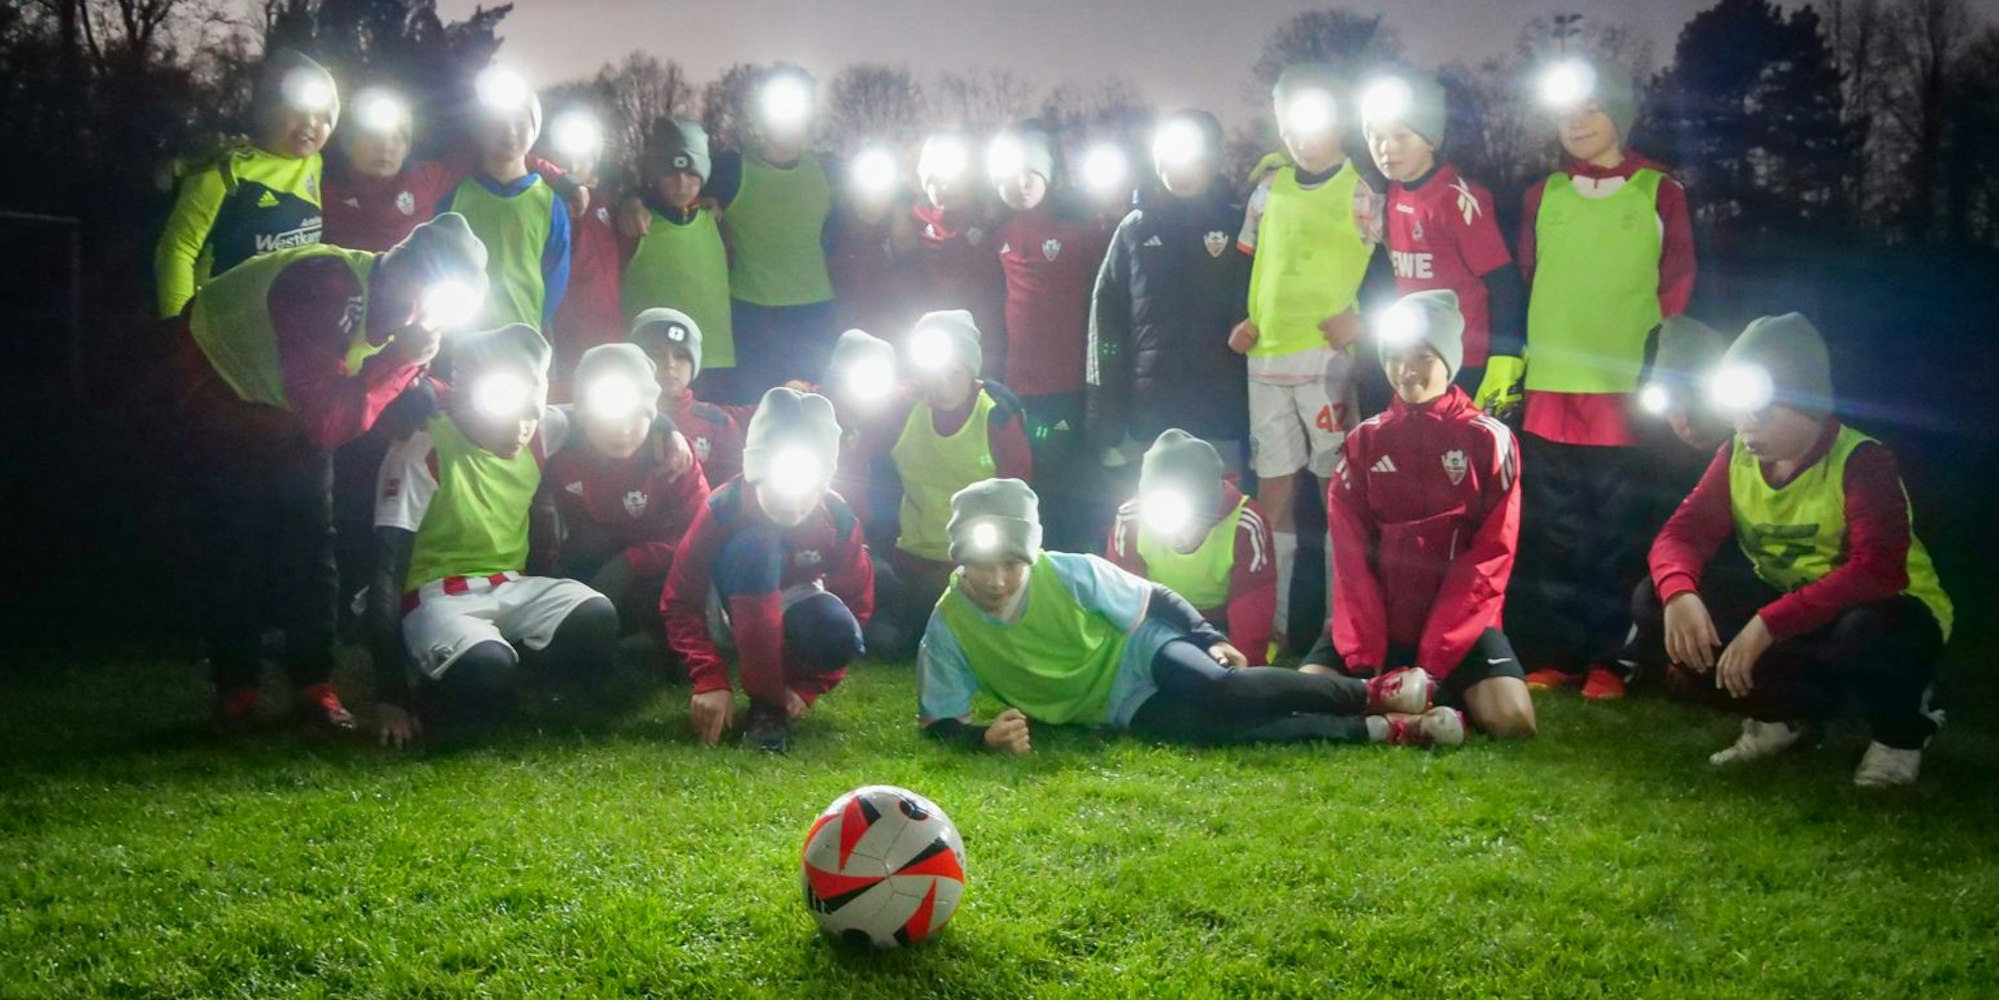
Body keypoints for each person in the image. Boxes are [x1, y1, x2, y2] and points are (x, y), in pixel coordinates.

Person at [170, 212, 489, 732]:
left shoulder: (392, 300)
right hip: (216, 387)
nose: (432, 313)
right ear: (406, 271)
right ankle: (237, 689)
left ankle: (313, 685)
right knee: (236, 547)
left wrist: (435, 385)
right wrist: (403, 362)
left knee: (312, 546)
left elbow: (367, 389)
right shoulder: (325, 287)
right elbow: (332, 421)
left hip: (284, 408)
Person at [1624, 314, 1951, 787]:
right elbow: (1681, 535)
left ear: (1809, 403)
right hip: (1802, 620)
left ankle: (1901, 735)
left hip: (1890, 613)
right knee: (1654, 601)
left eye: (1763, 411)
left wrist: (1768, 623)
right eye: (1738, 411)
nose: (1747, 426)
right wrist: (1679, 594)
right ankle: (1785, 720)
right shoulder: (1736, 453)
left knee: (1872, 629)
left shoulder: (1862, 460)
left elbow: (1879, 570)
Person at [917, 478, 1464, 751]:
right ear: (958, 559)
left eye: (1011, 563)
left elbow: (1154, 597)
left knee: (1224, 690)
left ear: (1030, 554)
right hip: (1119, 704)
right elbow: (940, 722)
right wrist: (984, 737)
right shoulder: (949, 626)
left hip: (1142, 647)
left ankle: (1371, 692)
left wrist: (1205, 636)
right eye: (981, 564)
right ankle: (1379, 729)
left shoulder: (1068, 571)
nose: (995, 579)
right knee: (1215, 732)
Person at [1499, 59, 1698, 700]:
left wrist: (1660, 364)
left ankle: (1615, 658)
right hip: (1553, 387)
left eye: (1591, 109)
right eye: (1565, 113)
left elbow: (1678, 284)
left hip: (1621, 389)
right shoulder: (1543, 194)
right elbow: (1533, 278)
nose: (1577, 123)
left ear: (1619, 114)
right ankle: (1560, 654)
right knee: (1558, 532)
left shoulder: (1659, 191)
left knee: (1616, 531)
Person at [1299, 291, 1535, 738]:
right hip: (1377, 620)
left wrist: (1435, 659)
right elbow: (1350, 557)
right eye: (1395, 358)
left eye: (1423, 356)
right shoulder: (1363, 442)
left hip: (1459, 626)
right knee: (1302, 699)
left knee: (1514, 722)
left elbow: (1490, 557)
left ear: (1449, 360)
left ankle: (1413, 699)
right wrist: (1367, 656)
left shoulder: (1490, 440)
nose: (1406, 371)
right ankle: (1407, 710)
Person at [369, 324, 619, 745]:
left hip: (511, 584)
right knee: (484, 668)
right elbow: (386, 569)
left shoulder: (541, 432)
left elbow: (600, 416)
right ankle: (453, 681)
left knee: (596, 615)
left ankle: (530, 687)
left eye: (530, 412)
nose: (522, 428)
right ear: (471, 397)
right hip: (435, 596)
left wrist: (663, 425)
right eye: (510, 412)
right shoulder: (423, 446)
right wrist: (390, 694)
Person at [1230, 63, 1384, 648]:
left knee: (1336, 493)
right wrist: (1244, 321)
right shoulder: (1267, 190)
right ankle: (1269, 623)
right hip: (1265, 360)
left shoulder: (1365, 194)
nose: (1298, 134)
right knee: (1272, 495)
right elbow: (1253, 265)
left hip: (1326, 364)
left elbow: (1398, 274)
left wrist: (1363, 322)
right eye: (1287, 121)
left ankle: (1342, 623)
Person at [661, 388, 873, 752]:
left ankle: (770, 701)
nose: (794, 501)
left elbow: (857, 606)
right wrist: (710, 677)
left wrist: (807, 687)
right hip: (723, 608)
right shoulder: (724, 509)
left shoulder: (836, 517)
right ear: (755, 470)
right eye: (781, 483)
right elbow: (680, 600)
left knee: (838, 630)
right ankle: (766, 707)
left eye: (809, 488)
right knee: (756, 545)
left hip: (787, 604)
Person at [856, 310, 1033, 659]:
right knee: (884, 637)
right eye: (934, 374)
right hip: (909, 556)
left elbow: (1020, 501)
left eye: (955, 373)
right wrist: (856, 532)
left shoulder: (996, 416)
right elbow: (853, 460)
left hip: (975, 562)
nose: (943, 385)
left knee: (924, 621)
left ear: (972, 372)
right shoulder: (902, 407)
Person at [1088, 108, 1251, 473]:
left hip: (1221, 414)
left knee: (1222, 517)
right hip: (1151, 418)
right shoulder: (1133, 230)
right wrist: (1108, 422)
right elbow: (1107, 326)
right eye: (1170, 159)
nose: (1180, 170)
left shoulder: (1239, 225)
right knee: (1156, 523)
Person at [1359, 71, 1524, 394]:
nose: (1386, 148)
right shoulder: (1386, 196)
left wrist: (1506, 355)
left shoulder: (1455, 199)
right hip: (1411, 356)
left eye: (1401, 136)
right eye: (1375, 136)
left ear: (1431, 140)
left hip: (1464, 360)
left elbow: (1502, 281)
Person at [989, 121, 1111, 550]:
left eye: (1030, 174)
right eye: (1008, 176)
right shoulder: (998, 230)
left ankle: (1076, 566)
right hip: (1017, 384)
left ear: (1048, 176)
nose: (1019, 185)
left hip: (1068, 382)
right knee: (1027, 482)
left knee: (1069, 484)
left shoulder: (1079, 228)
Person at [540, 344, 706, 657]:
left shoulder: (671, 458)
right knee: (589, 543)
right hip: (594, 560)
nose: (624, 430)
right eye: (609, 417)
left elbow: (701, 537)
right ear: (584, 416)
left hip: (664, 568)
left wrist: (631, 563)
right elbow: (532, 405)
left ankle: (665, 635)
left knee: (658, 594)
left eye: (638, 417)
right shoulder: (560, 450)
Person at [156, 49, 337, 319]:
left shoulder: (314, 163)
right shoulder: (222, 171)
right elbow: (177, 251)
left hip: (286, 327)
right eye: (297, 110)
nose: (310, 123)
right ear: (266, 110)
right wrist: (178, 327)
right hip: (221, 328)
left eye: (323, 115)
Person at [707, 68, 839, 399]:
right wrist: (634, 204)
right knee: (757, 410)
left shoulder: (829, 170)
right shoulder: (730, 170)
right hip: (753, 316)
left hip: (815, 316)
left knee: (818, 410)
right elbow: (671, 187)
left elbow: (884, 196)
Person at [1106, 430, 1276, 666]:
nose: (1179, 535)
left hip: (1223, 624)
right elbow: (1123, 601)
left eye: (1190, 523)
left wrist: (1244, 668)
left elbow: (1251, 609)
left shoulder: (1245, 523)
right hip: (1159, 621)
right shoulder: (1130, 519)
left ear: (1211, 510)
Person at [439, 67, 571, 332]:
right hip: (463, 339)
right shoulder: (455, 196)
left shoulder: (549, 202)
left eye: (520, 123)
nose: (509, 132)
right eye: (498, 122)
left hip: (525, 337)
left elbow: (556, 274)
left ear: (534, 130)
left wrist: (533, 321)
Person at [620, 120, 736, 395]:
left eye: (692, 174)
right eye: (671, 174)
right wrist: (630, 200)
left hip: (714, 358)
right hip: (656, 362)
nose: (682, 184)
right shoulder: (637, 224)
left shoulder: (716, 219)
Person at [911, 129, 1008, 374]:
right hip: (935, 350)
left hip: (988, 345)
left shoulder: (992, 222)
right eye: (936, 180)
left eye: (955, 179)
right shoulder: (914, 224)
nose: (946, 187)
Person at [542, 107, 622, 394]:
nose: (576, 164)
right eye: (567, 157)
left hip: (610, 343)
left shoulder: (608, 208)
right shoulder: (545, 207)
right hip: (564, 346)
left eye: (585, 157)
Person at [630, 307, 749, 489]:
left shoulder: (717, 422)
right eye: (656, 354)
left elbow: (732, 489)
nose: (670, 364)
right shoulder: (619, 417)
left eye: (681, 356)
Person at [827, 143, 919, 343]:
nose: (873, 197)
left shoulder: (906, 228)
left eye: (882, 190)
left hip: (898, 343)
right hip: (846, 343)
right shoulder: (834, 227)